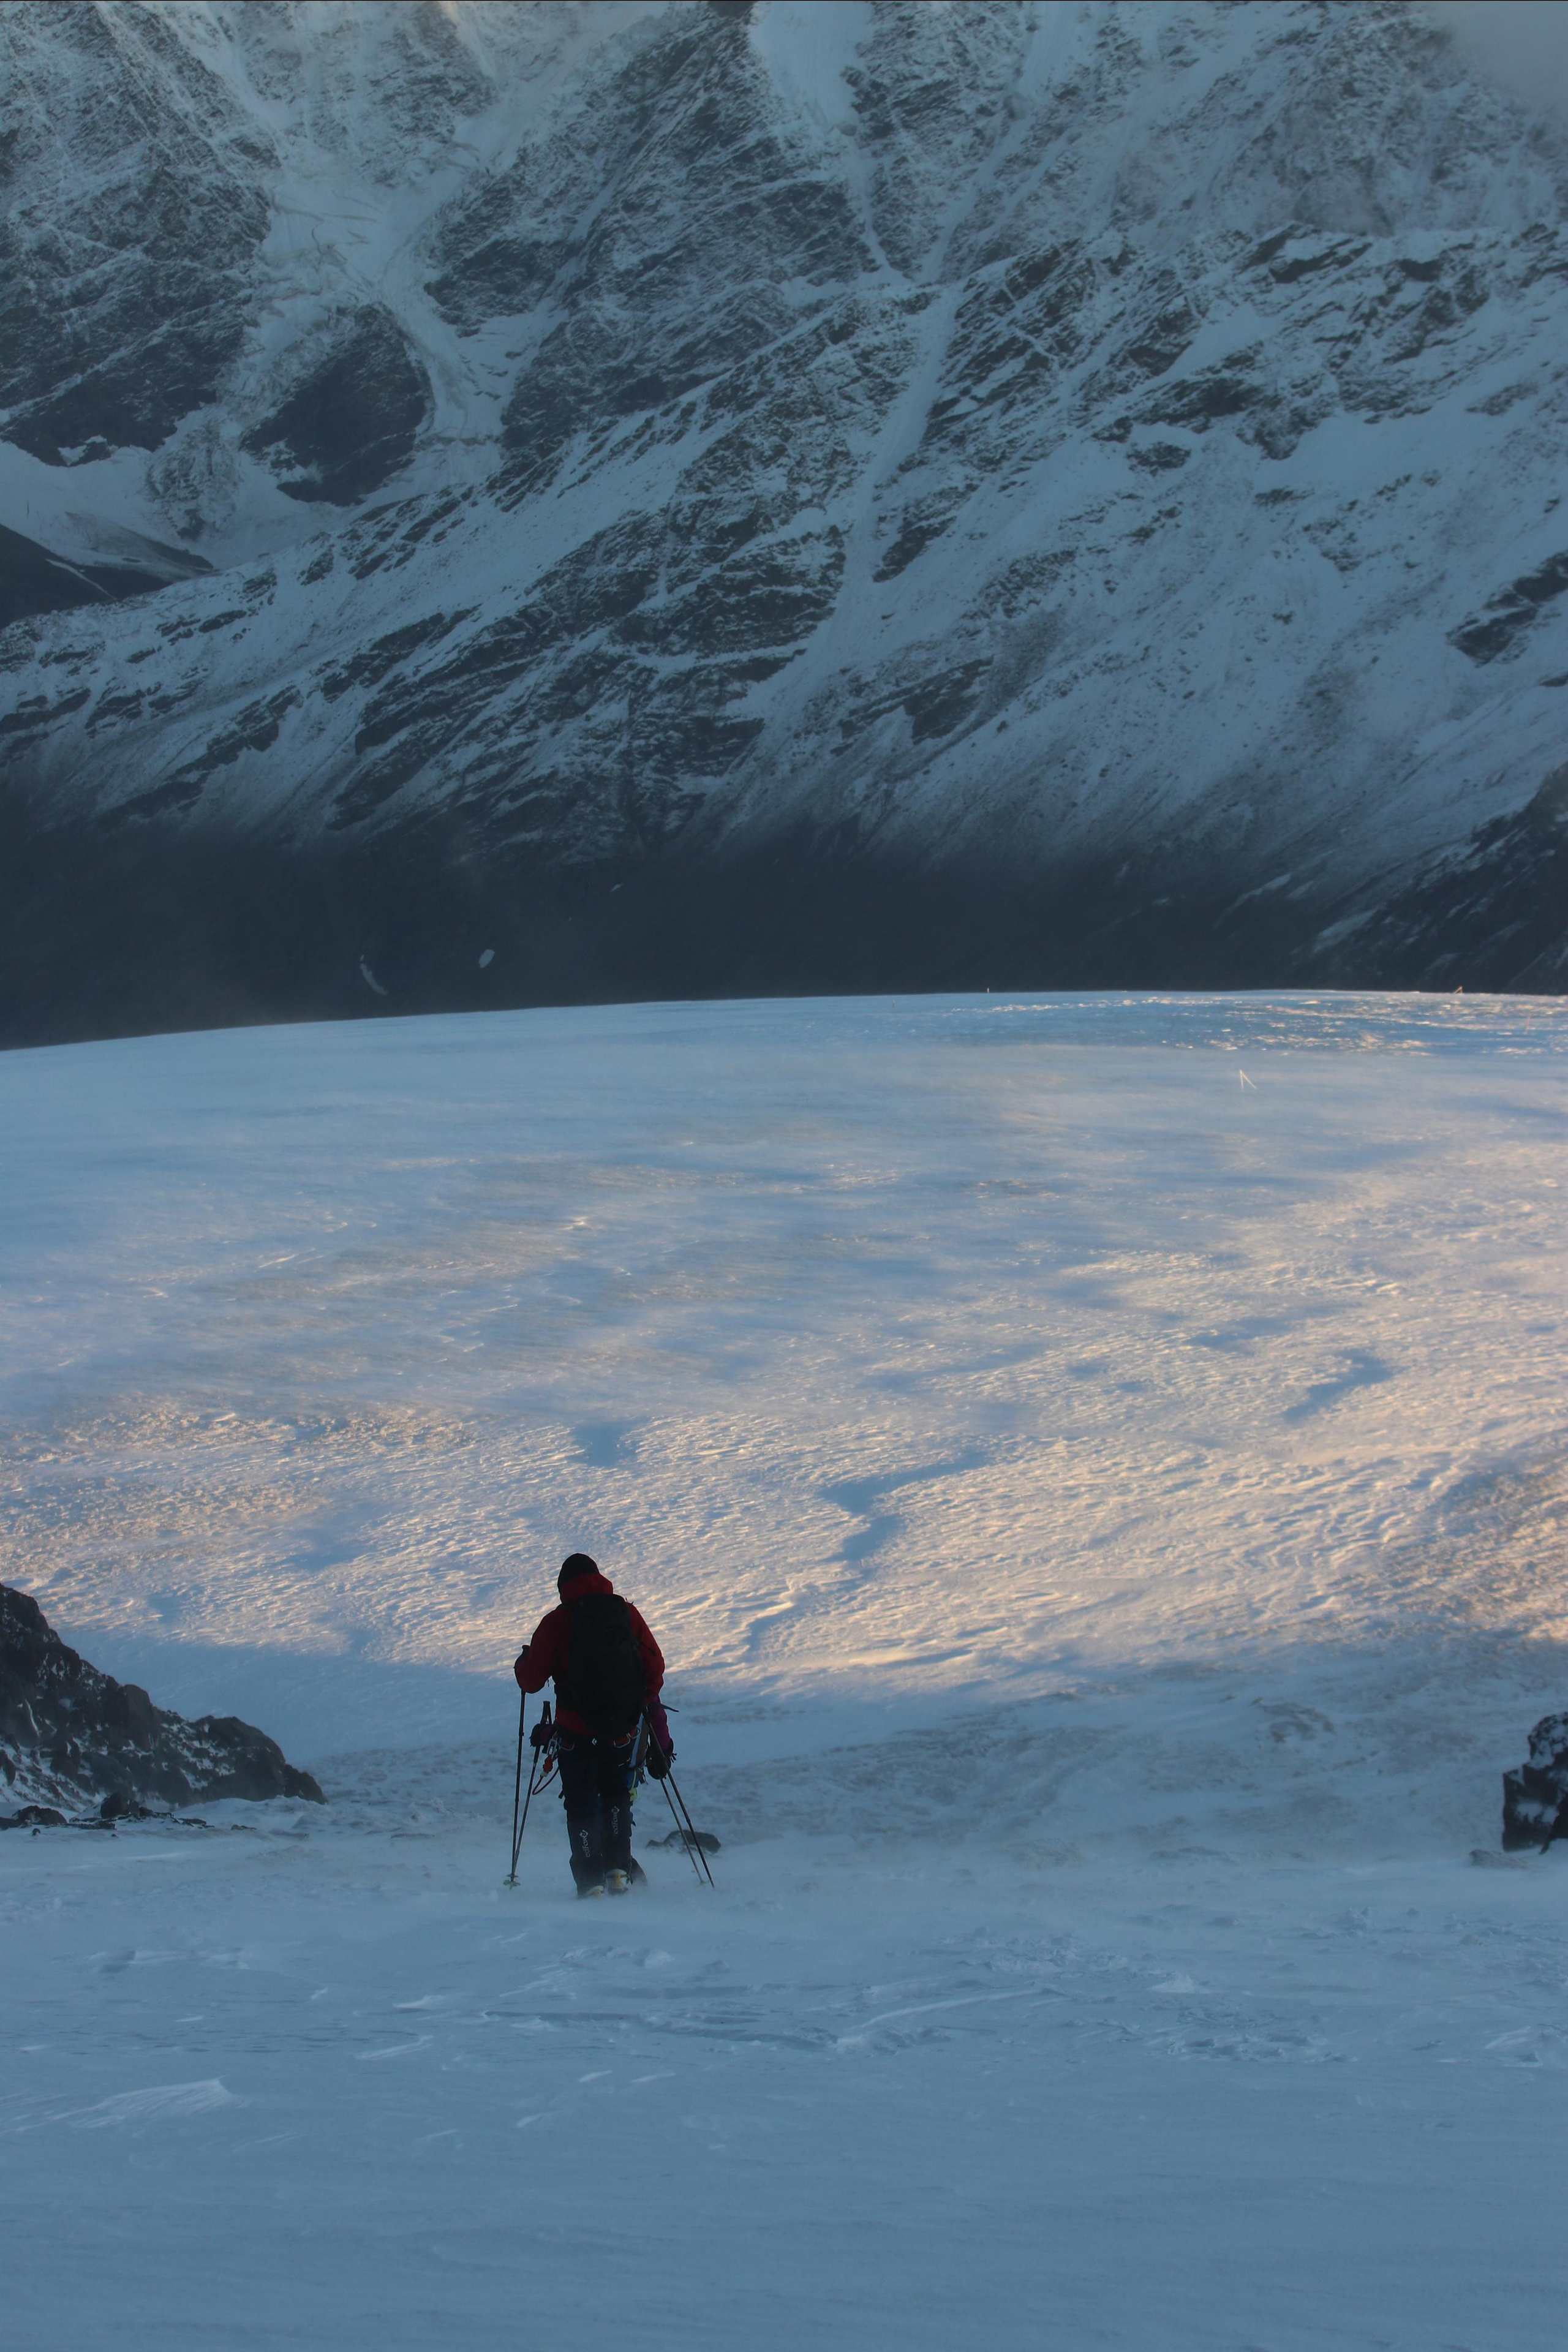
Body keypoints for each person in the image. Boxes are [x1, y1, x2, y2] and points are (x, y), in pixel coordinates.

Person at [514, 1553, 673, 1897]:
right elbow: (655, 1666)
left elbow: (531, 1680)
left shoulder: (557, 1621)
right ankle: (618, 1872)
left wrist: (522, 1663)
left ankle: (590, 1882)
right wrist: (637, 1703)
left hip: (575, 1731)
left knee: (581, 1801)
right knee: (617, 1793)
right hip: (620, 1729)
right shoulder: (626, 1614)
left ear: (563, 1587)